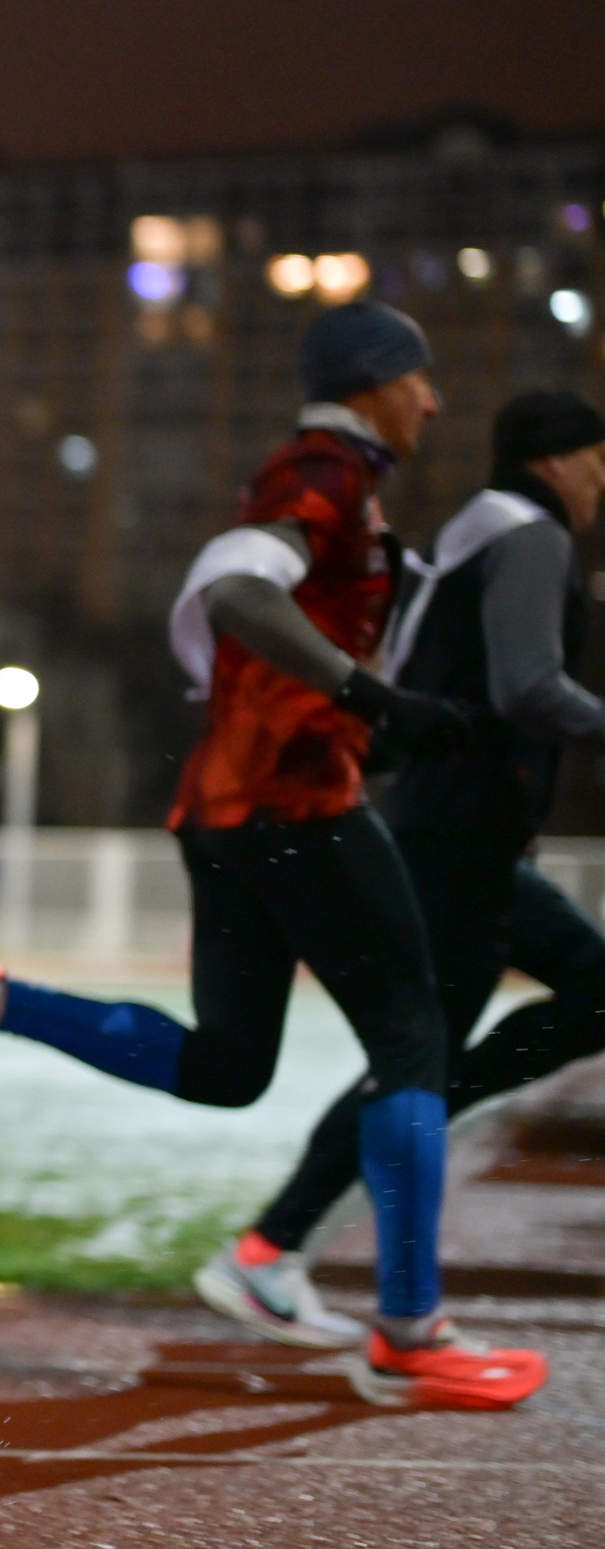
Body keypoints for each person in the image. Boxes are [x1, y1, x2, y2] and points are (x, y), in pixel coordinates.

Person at [0, 303, 548, 1411]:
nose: (434, 399)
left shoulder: (331, 475)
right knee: (414, 1037)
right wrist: (364, 693)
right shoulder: (321, 470)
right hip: (292, 802)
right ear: (375, 379)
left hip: (229, 809)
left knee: (230, 1067)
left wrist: (371, 703)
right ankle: (411, 1327)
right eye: (420, 378)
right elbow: (235, 592)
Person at [206, 390, 605, 1345]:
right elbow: (527, 687)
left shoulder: (477, 527)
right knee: (412, 1058)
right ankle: (274, 1248)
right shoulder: (532, 536)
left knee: (552, 1005)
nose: (602, 483)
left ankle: (416, 1123)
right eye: (597, 461)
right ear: (557, 458)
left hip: (460, 835)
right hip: (455, 843)